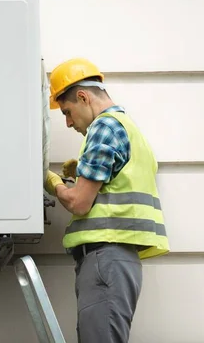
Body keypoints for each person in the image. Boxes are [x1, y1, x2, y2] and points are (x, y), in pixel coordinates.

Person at [43, 58, 170, 343]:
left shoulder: (104, 127)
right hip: (117, 258)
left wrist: (54, 183)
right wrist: (85, 170)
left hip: (105, 257)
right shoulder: (127, 128)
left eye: (67, 111)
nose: (68, 122)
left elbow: (79, 204)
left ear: (83, 97)